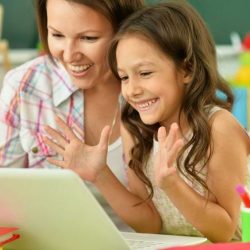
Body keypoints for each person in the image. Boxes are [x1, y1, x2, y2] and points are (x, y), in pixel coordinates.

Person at [43, 1, 250, 242]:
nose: (132, 90)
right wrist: (101, 174)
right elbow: (150, 223)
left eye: (145, 73)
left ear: (187, 69)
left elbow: (225, 232)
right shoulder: (136, 126)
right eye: (124, 77)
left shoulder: (219, 127)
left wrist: (172, 184)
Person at [0, 0, 144, 230]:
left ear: (124, 30)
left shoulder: (151, 88)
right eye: (57, 35)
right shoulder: (24, 86)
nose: (69, 55)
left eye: (88, 38)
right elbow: (4, 194)